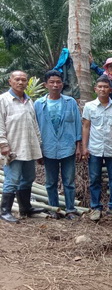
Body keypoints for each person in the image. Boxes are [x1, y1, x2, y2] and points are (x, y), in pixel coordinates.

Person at [34, 70, 82, 220]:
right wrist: (38, 151)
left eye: (58, 82)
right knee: (50, 182)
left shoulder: (70, 102)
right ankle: (54, 209)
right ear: (46, 84)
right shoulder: (38, 104)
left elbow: (78, 125)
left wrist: (79, 146)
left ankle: (70, 209)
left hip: (68, 148)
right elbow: (35, 128)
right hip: (48, 149)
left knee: (69, 181)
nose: (55, 85)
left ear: (62, 84)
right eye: (52, 82)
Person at [82, 77, 112, 222]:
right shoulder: (89, 106)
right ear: (95, 89)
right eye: (100, 87)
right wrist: (84, 147)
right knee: (94, 179)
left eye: (105, 87)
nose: (103, 89)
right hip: (94, 148)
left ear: (110, 90)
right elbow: (86, 127)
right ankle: (96, 208)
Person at [0, 71, 44, 223]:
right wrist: (3, 144)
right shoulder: (3, 100)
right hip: (13, 148)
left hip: (29, 147)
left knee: (29, 178)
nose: (20, 82)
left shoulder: (29, 100)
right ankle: (5, 211)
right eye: (17, 79)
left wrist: (39, 146)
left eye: (24, 80)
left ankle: (25, 208)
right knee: (12, 179)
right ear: (10, 81)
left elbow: (34, 124)